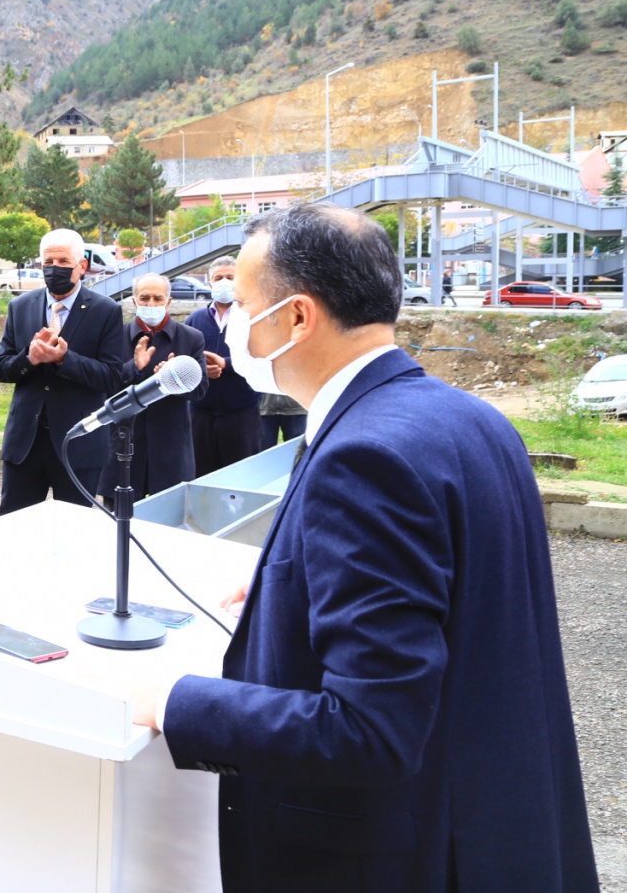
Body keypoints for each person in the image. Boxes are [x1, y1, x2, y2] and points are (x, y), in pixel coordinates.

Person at [144, 203, 597, 891]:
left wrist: (177, 703)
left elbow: (369, 726)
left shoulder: (362, 457)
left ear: (297, 318)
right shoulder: (469, 418)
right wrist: (282, 597)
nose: (229, 324)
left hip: (399, 858)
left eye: (240, 304)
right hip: (497, 829)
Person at [0, 228, 128, 513]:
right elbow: (2, 368)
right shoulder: (20, 306)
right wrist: (29, 358)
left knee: (73, 534)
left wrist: (64, 359)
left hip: (78, 443)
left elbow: (112, 376)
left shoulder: (105, 310)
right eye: (48, 262)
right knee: (14, 529)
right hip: (25, 443)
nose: (55, 269)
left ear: (82, 266)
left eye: (63, 262)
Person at [99, 274, 207, 501]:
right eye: (144, 298)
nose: (151, 304)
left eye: (158, 298)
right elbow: (104, 384)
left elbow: (200, 390)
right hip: (124, 444)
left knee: (170, 521)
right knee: (119, 522)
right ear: (134, 300)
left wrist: (173, 378)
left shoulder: (191, 338)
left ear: (168, 301)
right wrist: (134, 369)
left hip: (171, 447)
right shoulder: (114, 336)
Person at [185, 256, 262, 477]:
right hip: (200, 412)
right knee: (202, 478)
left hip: (241, 411)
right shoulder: (195, 319)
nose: (224, 282)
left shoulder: (252, 318)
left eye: (230, 277)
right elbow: (185, 357)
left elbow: (261, 356)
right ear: (209, 284)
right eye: (218, 278)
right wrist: (201, 370)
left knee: (241, 478)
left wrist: (226, 364)